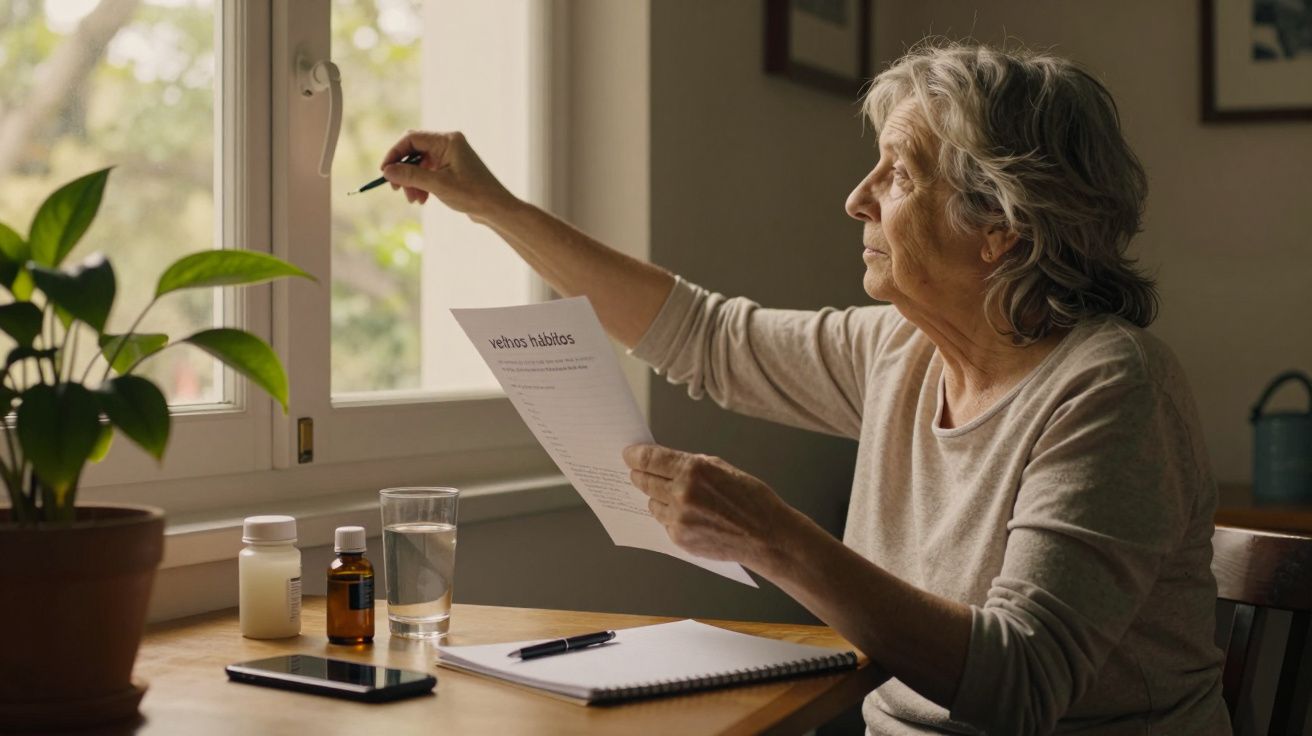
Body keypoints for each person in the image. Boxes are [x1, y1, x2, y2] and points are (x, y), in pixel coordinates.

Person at [380, 42, 1228, 735]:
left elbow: (1020, 684)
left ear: (1002, 226)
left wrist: (775, 537)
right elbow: (702, 336)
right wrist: (488, 204)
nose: (857, 198)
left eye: (898, 173)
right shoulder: (900, 349)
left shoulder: (1112, 388)